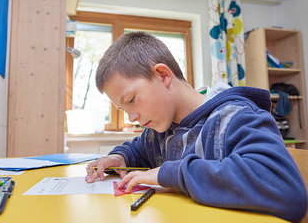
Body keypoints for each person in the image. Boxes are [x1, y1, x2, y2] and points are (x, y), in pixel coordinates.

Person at [85, 31, 307, 222]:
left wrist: (173, 173)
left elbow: (287, 192)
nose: (132, 117)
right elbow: (136, 150)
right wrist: (120, 158)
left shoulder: (236, 118)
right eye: (124, 111)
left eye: (132, 100)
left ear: (163, 75)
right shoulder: (158, 132)